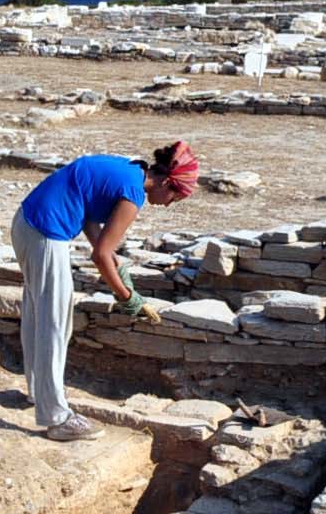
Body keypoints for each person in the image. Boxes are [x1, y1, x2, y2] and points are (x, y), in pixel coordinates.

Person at [12, 142, 198, 442]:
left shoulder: (129, 169)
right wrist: (127, 297)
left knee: (38, 315)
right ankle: (57, 418)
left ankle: (39, 394)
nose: (170, 203)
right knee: (55, 324)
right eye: (175, 195)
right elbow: (99, 256)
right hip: (46, 233)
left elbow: (88, 214)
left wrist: (115, 263)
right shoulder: (133, 193)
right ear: (166, 181)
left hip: (27, 223)